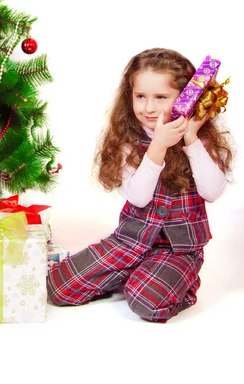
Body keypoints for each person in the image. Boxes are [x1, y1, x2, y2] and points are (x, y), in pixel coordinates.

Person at [47, 48, 234, 322]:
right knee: (58, 287)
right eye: (140, 96)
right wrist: (157, 146)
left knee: (146, 303)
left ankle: (177, 282)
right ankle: (137, 271)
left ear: (185, 98)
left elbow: (212, 191)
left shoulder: (199, 141)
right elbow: (139, 197)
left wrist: (191, 137)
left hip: (177, 249)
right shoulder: (128, 142)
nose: (148, 108)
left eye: (161, 97)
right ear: (130, 96)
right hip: (130, 240)